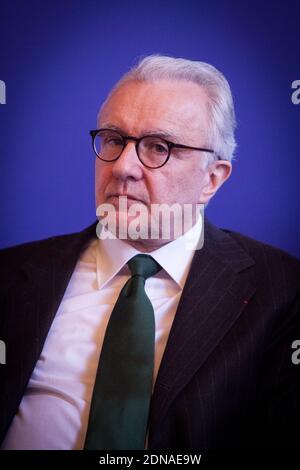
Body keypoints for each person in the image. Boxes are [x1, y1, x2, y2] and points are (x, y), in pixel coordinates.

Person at [0, 55, 299, 450]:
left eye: (158, 147)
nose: (123, 167)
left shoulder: (281, 291)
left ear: (212, 179)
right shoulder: (10, 275)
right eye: (113, 139)